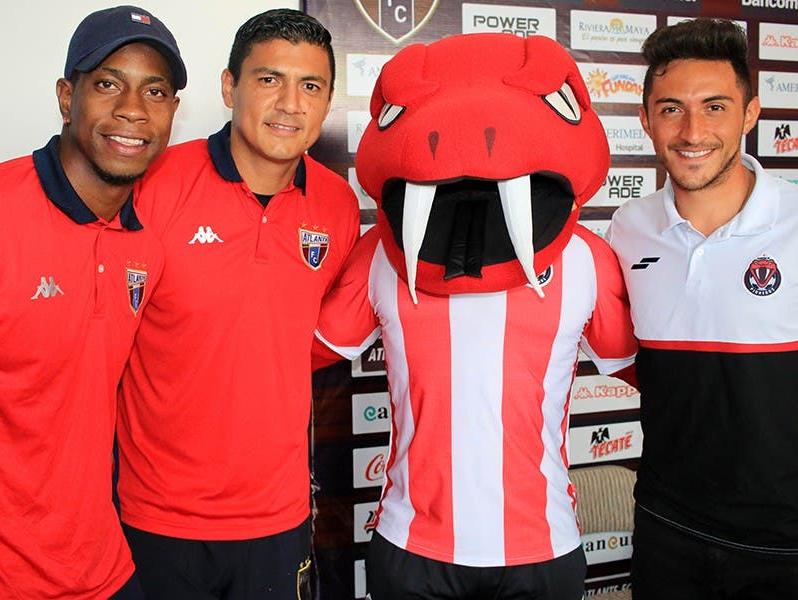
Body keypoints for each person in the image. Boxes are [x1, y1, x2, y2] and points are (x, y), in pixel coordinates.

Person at [314, 33, 638, 600]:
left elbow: (648, 369)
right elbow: (303, 352)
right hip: (411, 544)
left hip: (543, 547)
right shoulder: (380, 254)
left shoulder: (587, 257)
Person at [116, 8, 359, 600]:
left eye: (311, 87)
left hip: (278, 518)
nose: (290, 104)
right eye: (269, 79)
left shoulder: (338, 206)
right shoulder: (153, 184)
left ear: (328, 103)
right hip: (156, 516)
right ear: (230, 87)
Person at [607, 18, 798, 600]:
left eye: (715, 107)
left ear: (750, 114)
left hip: (786, 543)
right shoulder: (628, 228)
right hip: (668, 529)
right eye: (671, 109)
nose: (693, 131)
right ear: (645, 120)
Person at [0, 6, 185, 599]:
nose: (132, 109)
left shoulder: (145, 248)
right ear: (66, 97)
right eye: (107, 84)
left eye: (154, 91)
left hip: (104, 569)